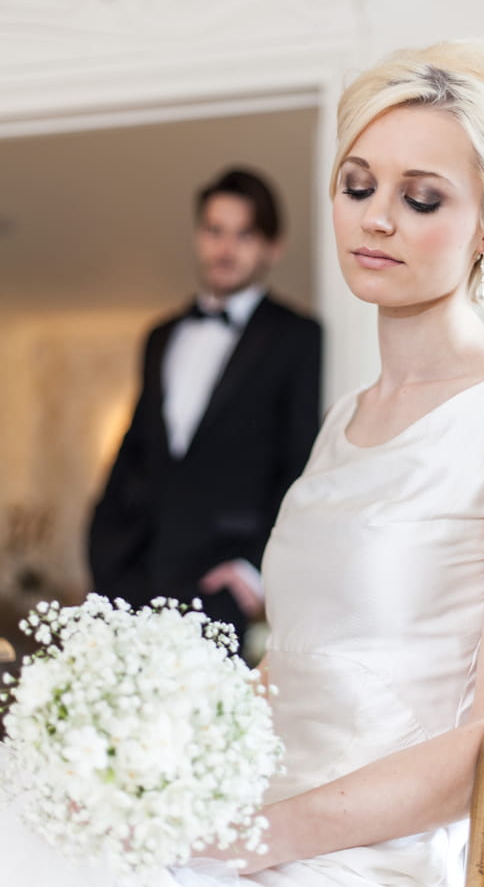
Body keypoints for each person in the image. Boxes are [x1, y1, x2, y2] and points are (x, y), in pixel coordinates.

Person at [0, 38, 484, 887]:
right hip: (255, 816)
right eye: (357, 187)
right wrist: (150, 777)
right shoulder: (348, 418)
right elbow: (296, 664)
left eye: (421, 198)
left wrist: (250, 838)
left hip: (365, 857)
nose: (376, 218)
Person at [88, 168, 322, 649]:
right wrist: (102, 543)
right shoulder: (159, 336)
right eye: (215, 230)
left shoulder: (297, 337)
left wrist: (253, 566)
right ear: (199, 236)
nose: (225, 247)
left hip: (219, 580)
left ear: (272, 247)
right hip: (131, 573)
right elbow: (136, 447)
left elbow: (300, 461)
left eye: (244, 234)